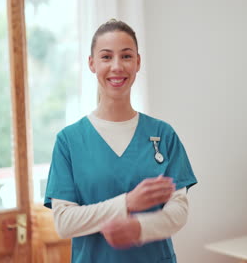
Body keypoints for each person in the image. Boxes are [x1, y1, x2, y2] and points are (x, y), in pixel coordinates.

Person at [44, 19, 197, 263]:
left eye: (126, 56)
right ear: (92, 63)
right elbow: (64, 222)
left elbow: (178, 210)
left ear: (138, 62)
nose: (117, 66)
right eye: (106, 57)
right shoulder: (69, 141)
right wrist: (127, 203)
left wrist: (139, 228)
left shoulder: (163, 134)